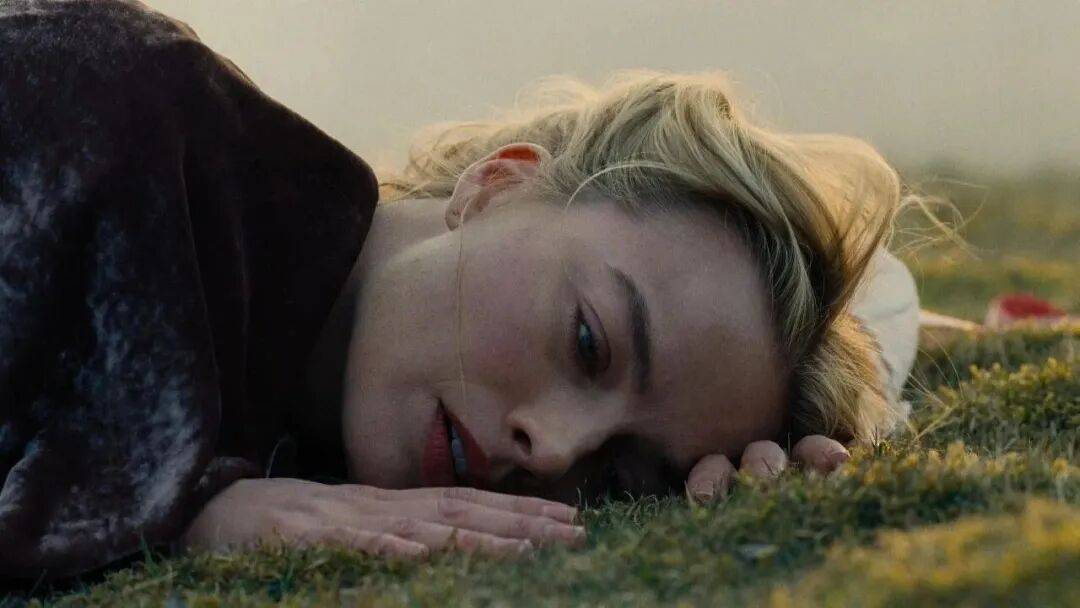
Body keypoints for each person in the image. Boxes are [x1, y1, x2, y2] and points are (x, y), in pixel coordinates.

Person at [0, 0, 919, 580]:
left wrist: (761, 482)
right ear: (497, 184)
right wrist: (167, 508)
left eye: (618, 474)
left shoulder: (324, 413)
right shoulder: (105, 109)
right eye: (589, 343)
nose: (552, 450)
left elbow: (891, 300)